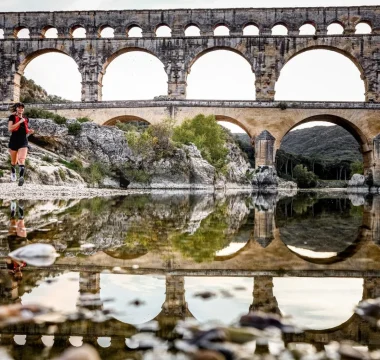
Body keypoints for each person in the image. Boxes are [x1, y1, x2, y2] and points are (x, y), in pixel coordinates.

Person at [8, 102, 34, 186]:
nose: (21, 109)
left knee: (22, 159)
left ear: (23, 109)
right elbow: (10, 128)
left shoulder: (26, 119)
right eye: (19, 108)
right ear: (16, 108)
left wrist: (29, 131)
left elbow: (25, 129)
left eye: (22, 108)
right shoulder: (12, 117)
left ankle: (21, 178)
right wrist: (19, 121)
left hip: (23, 140)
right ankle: (13, 172)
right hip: (14, 140)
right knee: (13, 162)